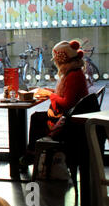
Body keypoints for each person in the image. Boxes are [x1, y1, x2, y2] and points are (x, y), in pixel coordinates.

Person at [19, 39, 89, 168]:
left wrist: (50, 95)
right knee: (37, 118)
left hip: (70, 124)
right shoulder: (75, 72)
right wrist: (51, 91)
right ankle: (34, 156)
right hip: (73, 118)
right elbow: (67, 95)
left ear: (61, 59)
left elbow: (67, 103)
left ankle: (33, 155)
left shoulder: (73, 76)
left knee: (37, 119)